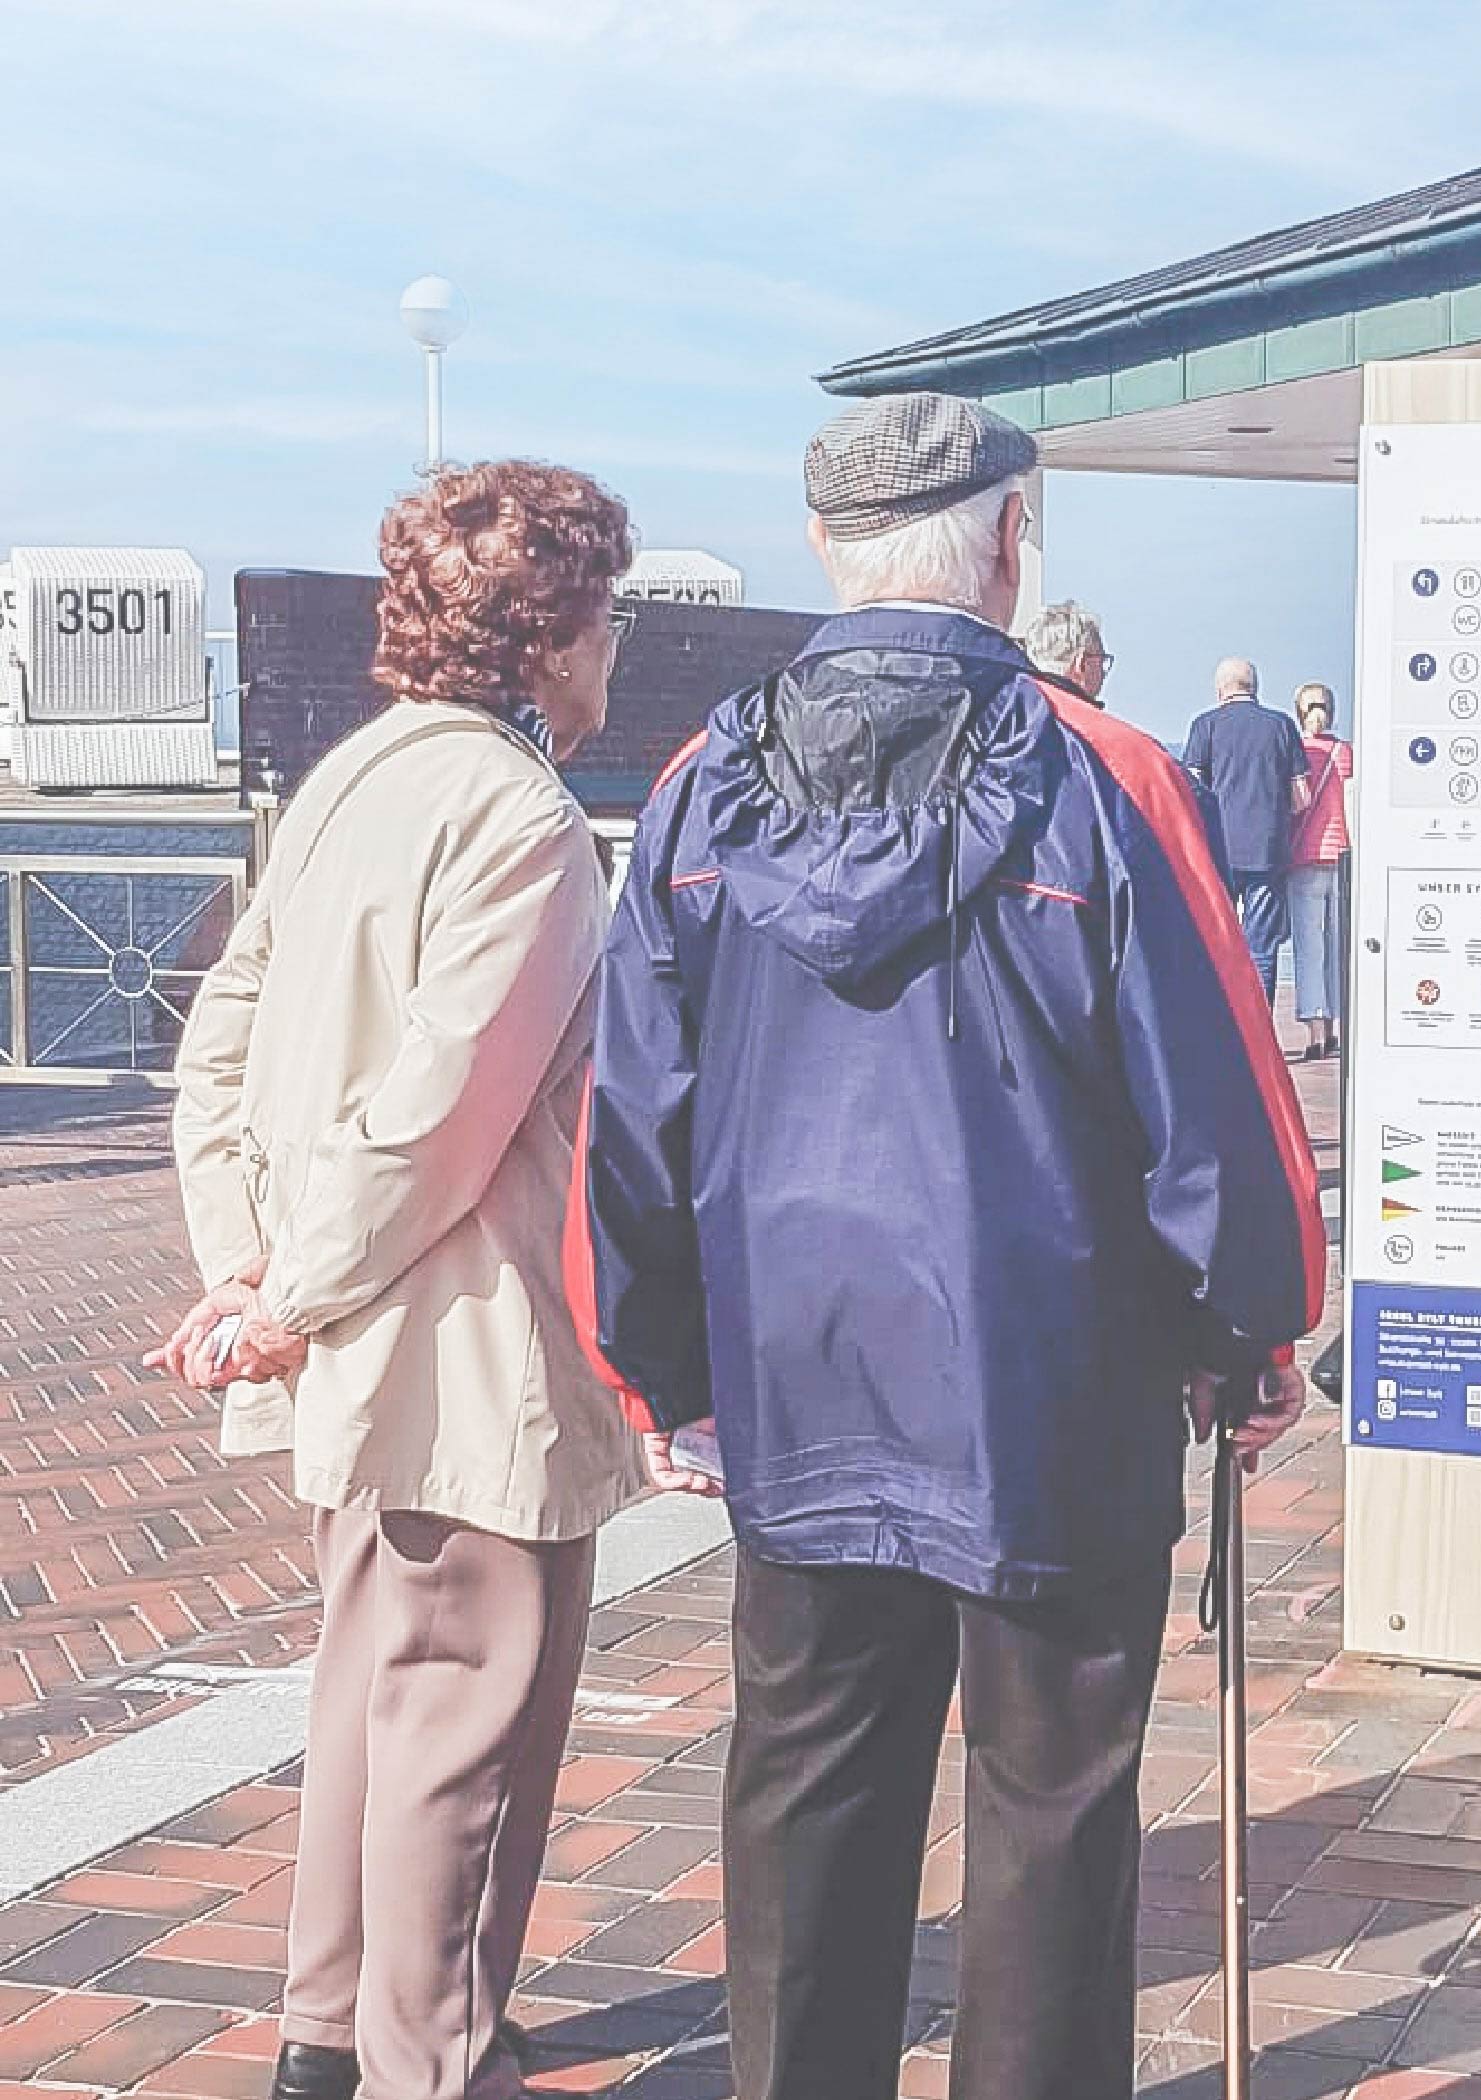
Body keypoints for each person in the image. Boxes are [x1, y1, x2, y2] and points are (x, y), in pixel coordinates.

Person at [571, 391, 1322, 2100]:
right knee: (1052, 1811)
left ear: (826, 545)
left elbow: (632, 1113)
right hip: (1053, 1382)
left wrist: (658, 1368)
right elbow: (1214, 1101)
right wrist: (1249, 1331)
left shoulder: (696, 787)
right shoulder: (1105, 775)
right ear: (1010, 544)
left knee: (804, 1789)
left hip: (798, 1375)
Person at [156, 461, 646, 2100]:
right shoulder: (528, 825)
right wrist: (281, 1295)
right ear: (549, 634)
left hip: (349, 1346)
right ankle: (431, 2066)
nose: (616, 646)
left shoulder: (349, 780)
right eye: (607, 614)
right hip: (468, 1353)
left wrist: (249, 1267)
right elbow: (441, 1116)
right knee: (464, 1738)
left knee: (372, 1693)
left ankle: (327, 2033)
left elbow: (220, 1042)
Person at [1024, 597, 1229, 874]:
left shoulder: (999, 730)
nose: (1104, 672)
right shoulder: (1120, 747)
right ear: (1082, 664)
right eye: (1102, 661)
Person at [1182, 657, 1309, 1006]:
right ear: (1255, 687)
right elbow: (1302, 797)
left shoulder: (1205, 726)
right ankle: (1260, 1022)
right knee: (1262, 949)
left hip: (1218, 850)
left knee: (1215, 940)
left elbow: (1191, 791)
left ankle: (1218, 1018)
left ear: (1220, 689)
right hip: (1267, 849)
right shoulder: (1281, 726)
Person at [1287, 681, 1354, 1060]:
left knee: (1309, 948)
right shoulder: (1345, 753)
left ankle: (1315, 1032)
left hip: (1305, 857)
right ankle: (1338, 1028)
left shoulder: (1298, 753)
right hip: (1342, 856)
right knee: (1337, 949)